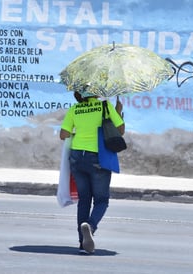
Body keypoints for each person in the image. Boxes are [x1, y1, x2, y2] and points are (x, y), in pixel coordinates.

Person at [59, 92, 124, 254]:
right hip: (97, 158)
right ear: (95, 92)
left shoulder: (75, 108)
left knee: (84, 199)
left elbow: (63, 135)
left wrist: (78, 132)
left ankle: (82, 243)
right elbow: (120, 131)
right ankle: (91, 226)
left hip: (76, 158)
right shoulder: (105, 106)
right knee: (102, 200)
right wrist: (118, 111)